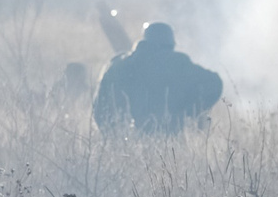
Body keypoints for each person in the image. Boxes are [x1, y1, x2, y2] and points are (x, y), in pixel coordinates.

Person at [93, 22, 223, 133]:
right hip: (168, 140)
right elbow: (214, 83)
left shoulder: (118, 64)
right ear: (170, 42)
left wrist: (111, 133)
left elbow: (99, 105)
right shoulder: (177, 62)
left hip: (123, 141)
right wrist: (191, 111)